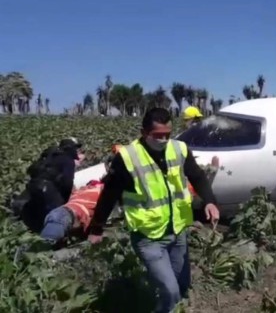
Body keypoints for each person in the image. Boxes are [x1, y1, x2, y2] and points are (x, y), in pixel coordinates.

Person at [87, 107, 220, 313]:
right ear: (144, 132)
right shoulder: (127, 157)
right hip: (148, 236)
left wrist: (210, 201)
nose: (164, 139)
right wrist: (96, 228)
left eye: (168, 134)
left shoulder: (179, 149)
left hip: (177, 232)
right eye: (158, 135)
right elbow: (109, 194)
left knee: (182, 287)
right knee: (170, 291)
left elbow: (197, 176)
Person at [39, 145, 122, 246]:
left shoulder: (91, 187)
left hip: (63, 215)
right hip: (65, 216)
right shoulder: (104, 190)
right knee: (43, 248)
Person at [13, 137, 85, 232]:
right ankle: (51, 239)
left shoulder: (50, 155)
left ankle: (32, 230)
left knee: (38, 209)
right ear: (70, 148)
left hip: (33, 185)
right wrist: (67, 201)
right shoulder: (67, 160)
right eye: (75, 148)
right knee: (56, 214)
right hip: (47, 188)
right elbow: (67, 182)